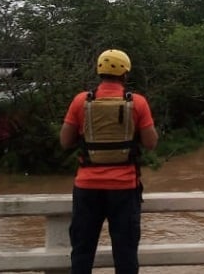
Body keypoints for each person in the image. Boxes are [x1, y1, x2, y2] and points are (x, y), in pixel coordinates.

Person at [59, 48, 158, 274]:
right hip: (124, 188)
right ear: (125, 74)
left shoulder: (80, 101)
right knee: (125, 254)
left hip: (87, 187)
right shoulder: (138, 103)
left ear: (99, 72)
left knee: (82, 252)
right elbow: (151, 143)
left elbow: (65, 141)